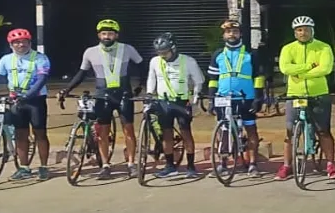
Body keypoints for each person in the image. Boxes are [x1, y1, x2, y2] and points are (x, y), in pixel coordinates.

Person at [59, 18, 145, 179]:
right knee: (102, 133)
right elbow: (82, 73)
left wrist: (140, 85)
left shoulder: (128, 49)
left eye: (110, 34)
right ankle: (105, 165)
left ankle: (131, 163)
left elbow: (142, 66)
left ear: (116, 35)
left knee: (129, 130)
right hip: (102, 96)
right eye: (104, 33)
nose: (107, 37)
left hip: (124, 95)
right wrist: (67, 89)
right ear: (99, 35)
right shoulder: (90, 52)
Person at [0, 28, 52, 181]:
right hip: (16, 100)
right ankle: (24, 168)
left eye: (24, 42)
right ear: (11, 45)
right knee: (20, 134)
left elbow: (42, 79)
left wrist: (28, 95)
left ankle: (43, 167)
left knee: (40, 133)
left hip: (35, 100)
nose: (21, 45)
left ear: (29, 43)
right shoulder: (6, 59)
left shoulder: (40, 58)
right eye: (17, 42)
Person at [278, 16, 335, 180]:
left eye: (306, 29)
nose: (303, 33)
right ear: (295, 33)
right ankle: (286, 165)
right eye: (299, 30)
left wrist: (299, 73)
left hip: (318, 93)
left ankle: (331, 164)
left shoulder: (323, 47)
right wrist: (309, 67)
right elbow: (285, 68)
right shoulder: (288, 48)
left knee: (323, 131)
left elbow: (325, 69)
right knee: (290, 133)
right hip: (295, 94)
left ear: (312, 31)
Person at [207, 20, 266, 176]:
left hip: (246, 97)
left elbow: (259, 76)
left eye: (235, 31)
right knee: (222, 131)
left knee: (251, 129)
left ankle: (252, 164)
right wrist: (211, 98)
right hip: (223, 97)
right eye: (228, 32)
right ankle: (222, 164)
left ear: (240, 34)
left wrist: (258, 97)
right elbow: (213, 79)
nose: (231, 34)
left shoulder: (251, 53)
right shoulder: (218, 54)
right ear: (224, 35)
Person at [145, 32, 204, 179]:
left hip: (181, 101)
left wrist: (195, 98)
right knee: (167, 134)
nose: (162, 55)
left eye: (165, 52)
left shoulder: (188, 61)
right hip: (163, 102)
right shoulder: (154, 61)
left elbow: (199, 80)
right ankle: (170, 166)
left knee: (186, 132)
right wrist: (149, 93)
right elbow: (151, 78)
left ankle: (191, 166)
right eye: (159, 52)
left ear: (173, 48)